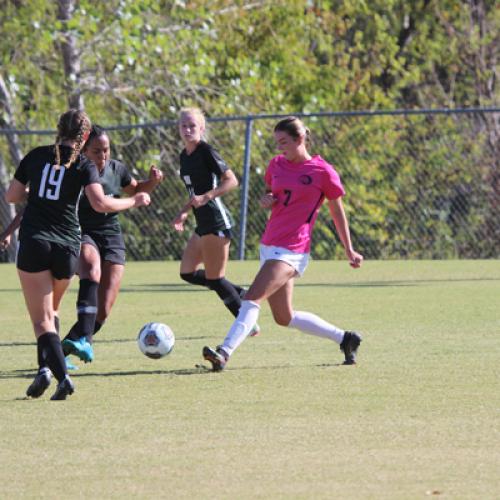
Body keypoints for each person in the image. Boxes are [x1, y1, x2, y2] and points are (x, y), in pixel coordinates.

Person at [4, 109, 150, 400]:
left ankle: (61, 377)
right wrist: (133, 201)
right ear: (84, 138)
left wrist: (35, 193)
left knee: (42, 320)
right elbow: (100, 203)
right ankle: (43, 370)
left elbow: (11, 196)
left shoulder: (35, 156)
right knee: (52, 311)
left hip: (36, 242)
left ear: (58, 130)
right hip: (68, 247)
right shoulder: (84, 164)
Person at [202, 116, 363, 371]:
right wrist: (267, 200)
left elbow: (337, 213)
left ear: (300, 140)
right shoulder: (276, 164)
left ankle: (224, 353)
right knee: (284, 317)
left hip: (293, 249)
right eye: (277, 142)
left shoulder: (323, 172)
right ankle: (345, 338)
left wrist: (349, 248)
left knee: (252, 298)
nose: (279, 148)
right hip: (270, 244)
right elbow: (272, 193)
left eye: (284, 142)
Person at [61, 125, 163, 365]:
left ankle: (64, 348)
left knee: (103, 310)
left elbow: (136, 189)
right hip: (84, 233)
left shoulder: (116, 169)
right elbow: (103, 202)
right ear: (84, 150)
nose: (103, 156)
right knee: (91, 270)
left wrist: (153, 182)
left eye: (106, 150)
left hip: (112, 236)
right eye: (96, 151)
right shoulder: (77, 171)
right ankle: (59, 354)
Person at [172, 108, 259, 335]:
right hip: (202, 224)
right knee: (187, 273)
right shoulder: (184, 156)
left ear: (201, 128)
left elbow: (231, 181)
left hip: (217, 222)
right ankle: (239, 293)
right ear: (179, 129)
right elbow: (194, 193)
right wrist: (183, 212)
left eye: (193, 126)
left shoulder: (206, 151)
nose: (188, 129)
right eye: (184, 126)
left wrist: (207, 196)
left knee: (216, 279)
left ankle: (247, 323)